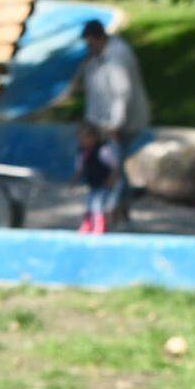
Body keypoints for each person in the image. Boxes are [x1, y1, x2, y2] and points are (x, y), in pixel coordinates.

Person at [75, 16, 150, 234]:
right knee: (109, 165)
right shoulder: (96, 57)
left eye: (90, 42)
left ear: (99, 38)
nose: (89, 46)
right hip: (102, 123)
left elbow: (121, 94)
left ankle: (117, 213)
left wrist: (117, 126)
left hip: (122, 123)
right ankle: (118, 212)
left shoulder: (117, 56)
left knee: (115, 168)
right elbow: (93, 91)